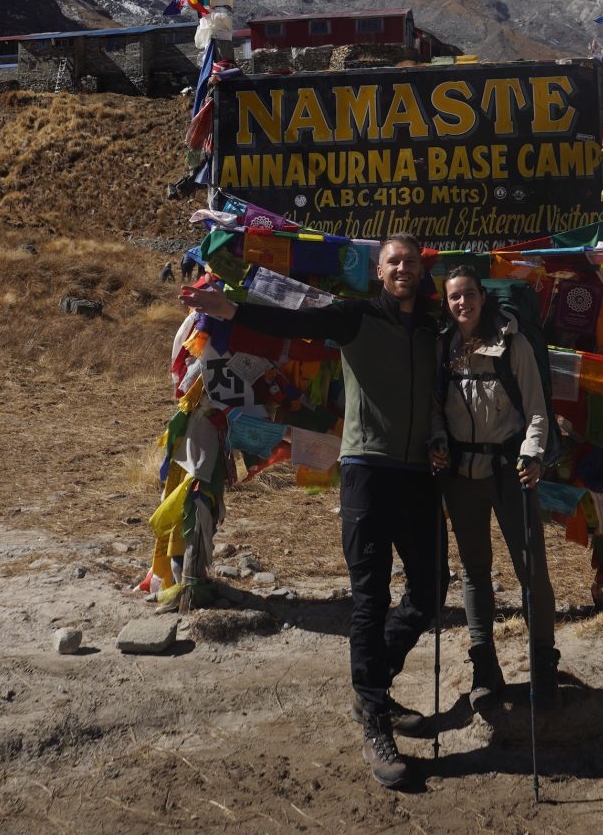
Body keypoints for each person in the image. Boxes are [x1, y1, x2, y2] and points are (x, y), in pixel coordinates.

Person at [185, 232, 444, 790]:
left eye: (412, 262)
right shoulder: (355, 317)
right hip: (368, 471)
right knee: (371, 597)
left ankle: (371, 685)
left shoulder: (431, 327)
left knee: (429, 593)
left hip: (421, 476)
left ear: (422, 271)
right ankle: (375, 718)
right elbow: (293, 321)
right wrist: (232, 309)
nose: (403, 269)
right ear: (379, 271)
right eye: (394, 262)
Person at [430, 259, 559, 713]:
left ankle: (544, 664)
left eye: (468, 294)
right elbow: (435, 410)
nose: (462, 302)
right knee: (473, 569)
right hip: (460, 474)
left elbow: (537, 410)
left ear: (484, 297)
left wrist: (533, 454)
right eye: (454, 296)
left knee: (531, 571)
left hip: (510, 470)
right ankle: (485, 665)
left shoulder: (513, 344)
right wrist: (438, 442)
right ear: (447, 304)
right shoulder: (442, 348)